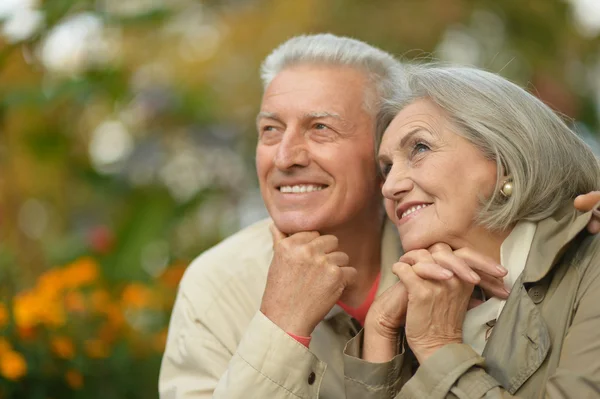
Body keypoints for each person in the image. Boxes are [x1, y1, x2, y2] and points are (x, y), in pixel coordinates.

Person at [158, 34, 600, 398]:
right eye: (269, 130)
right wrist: (282, 329)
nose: (285, 156)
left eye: (320, 128)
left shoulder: (457, 250)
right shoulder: (215, 284)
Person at [346, 64, 600, 398]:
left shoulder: (591, 265)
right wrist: (380, 334)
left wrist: (439, 348)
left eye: (419, 148)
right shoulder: (413, 309)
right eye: (387, 168)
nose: (390, 186)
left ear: (505, 156)